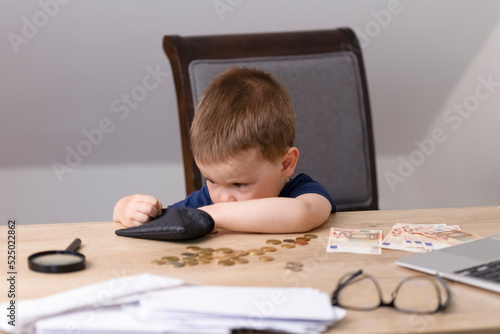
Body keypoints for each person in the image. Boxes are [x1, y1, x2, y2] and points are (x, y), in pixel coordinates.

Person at [113, 67, 336, 233]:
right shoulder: (207, 200)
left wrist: (210, 215)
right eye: (211, 180)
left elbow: (301, 214)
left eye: (239, 184)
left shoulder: (305, 192)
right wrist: (125, 209)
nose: (223, 198)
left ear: (285, 163)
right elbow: (167, 222)